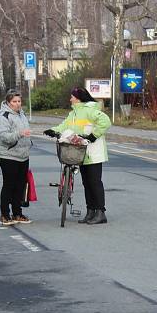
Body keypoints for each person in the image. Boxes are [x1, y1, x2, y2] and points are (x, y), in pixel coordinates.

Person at [44, 87, 112, 225]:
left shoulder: (90, 110)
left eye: (72, 97)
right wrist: (53, 130)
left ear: (78, 98)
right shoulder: (73, 114)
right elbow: (64, 126)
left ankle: (100, 212)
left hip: (93, 153)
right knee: (87, 183)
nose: (70, 99)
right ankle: (90, 211)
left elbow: (105, 122)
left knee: (95, 183)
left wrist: (93, 136)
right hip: (80, 153)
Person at [0, 90, 33, 225]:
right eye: (14, 102)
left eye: (19, 101)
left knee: (20, 186)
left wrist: (29, 142)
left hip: (23, 155)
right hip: (8, 156)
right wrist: (19, 133)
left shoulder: (21, 114)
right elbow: (4, 136)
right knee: (9, 185)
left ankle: (17, 213)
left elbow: (25, 131)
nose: (17, 104)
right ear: (8, 102)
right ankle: (5, 215)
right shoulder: (4, 115)